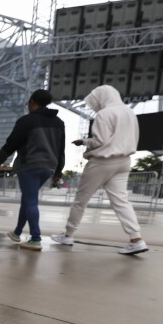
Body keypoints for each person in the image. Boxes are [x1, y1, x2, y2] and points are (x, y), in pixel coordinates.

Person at [51, 85, 148, 255]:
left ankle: (68, 235)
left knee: (81, 200)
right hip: (124, 161)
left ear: (102, 98)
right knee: (121, 201)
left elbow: (100, 141)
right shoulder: (129, 112)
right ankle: (136, 239)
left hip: (103, 162)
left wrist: (85, 142)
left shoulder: (104, 114)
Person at [0, 89, 65, 252]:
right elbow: (61, 149)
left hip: (30, 165)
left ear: (32, 102)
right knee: (28, 199)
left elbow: (12, 142)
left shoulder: (26, 121)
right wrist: (58, 171)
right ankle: (17, 232)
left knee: (31, 201)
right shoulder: (59, 122)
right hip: (49, 166)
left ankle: (35, 238)